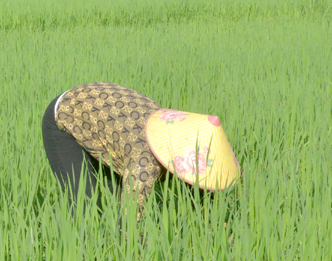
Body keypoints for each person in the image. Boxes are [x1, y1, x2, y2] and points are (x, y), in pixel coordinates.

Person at [41, 81, 240, 215]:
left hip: (107, 119)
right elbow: (130, 220)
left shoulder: (176, 131)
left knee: (113, 198)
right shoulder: (146, 161)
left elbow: (203, 188)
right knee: (86, 201)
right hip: (67, 113)